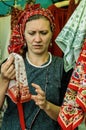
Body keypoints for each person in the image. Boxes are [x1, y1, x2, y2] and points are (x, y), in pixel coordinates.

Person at [0, 4, 72, 130]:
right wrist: (4, 80)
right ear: (23, 35)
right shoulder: (10, 64)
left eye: (43, 33)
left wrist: (46, 105)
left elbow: (70, 117)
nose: (37, 39)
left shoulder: (64, 68)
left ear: (51, 34)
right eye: (32, 33)